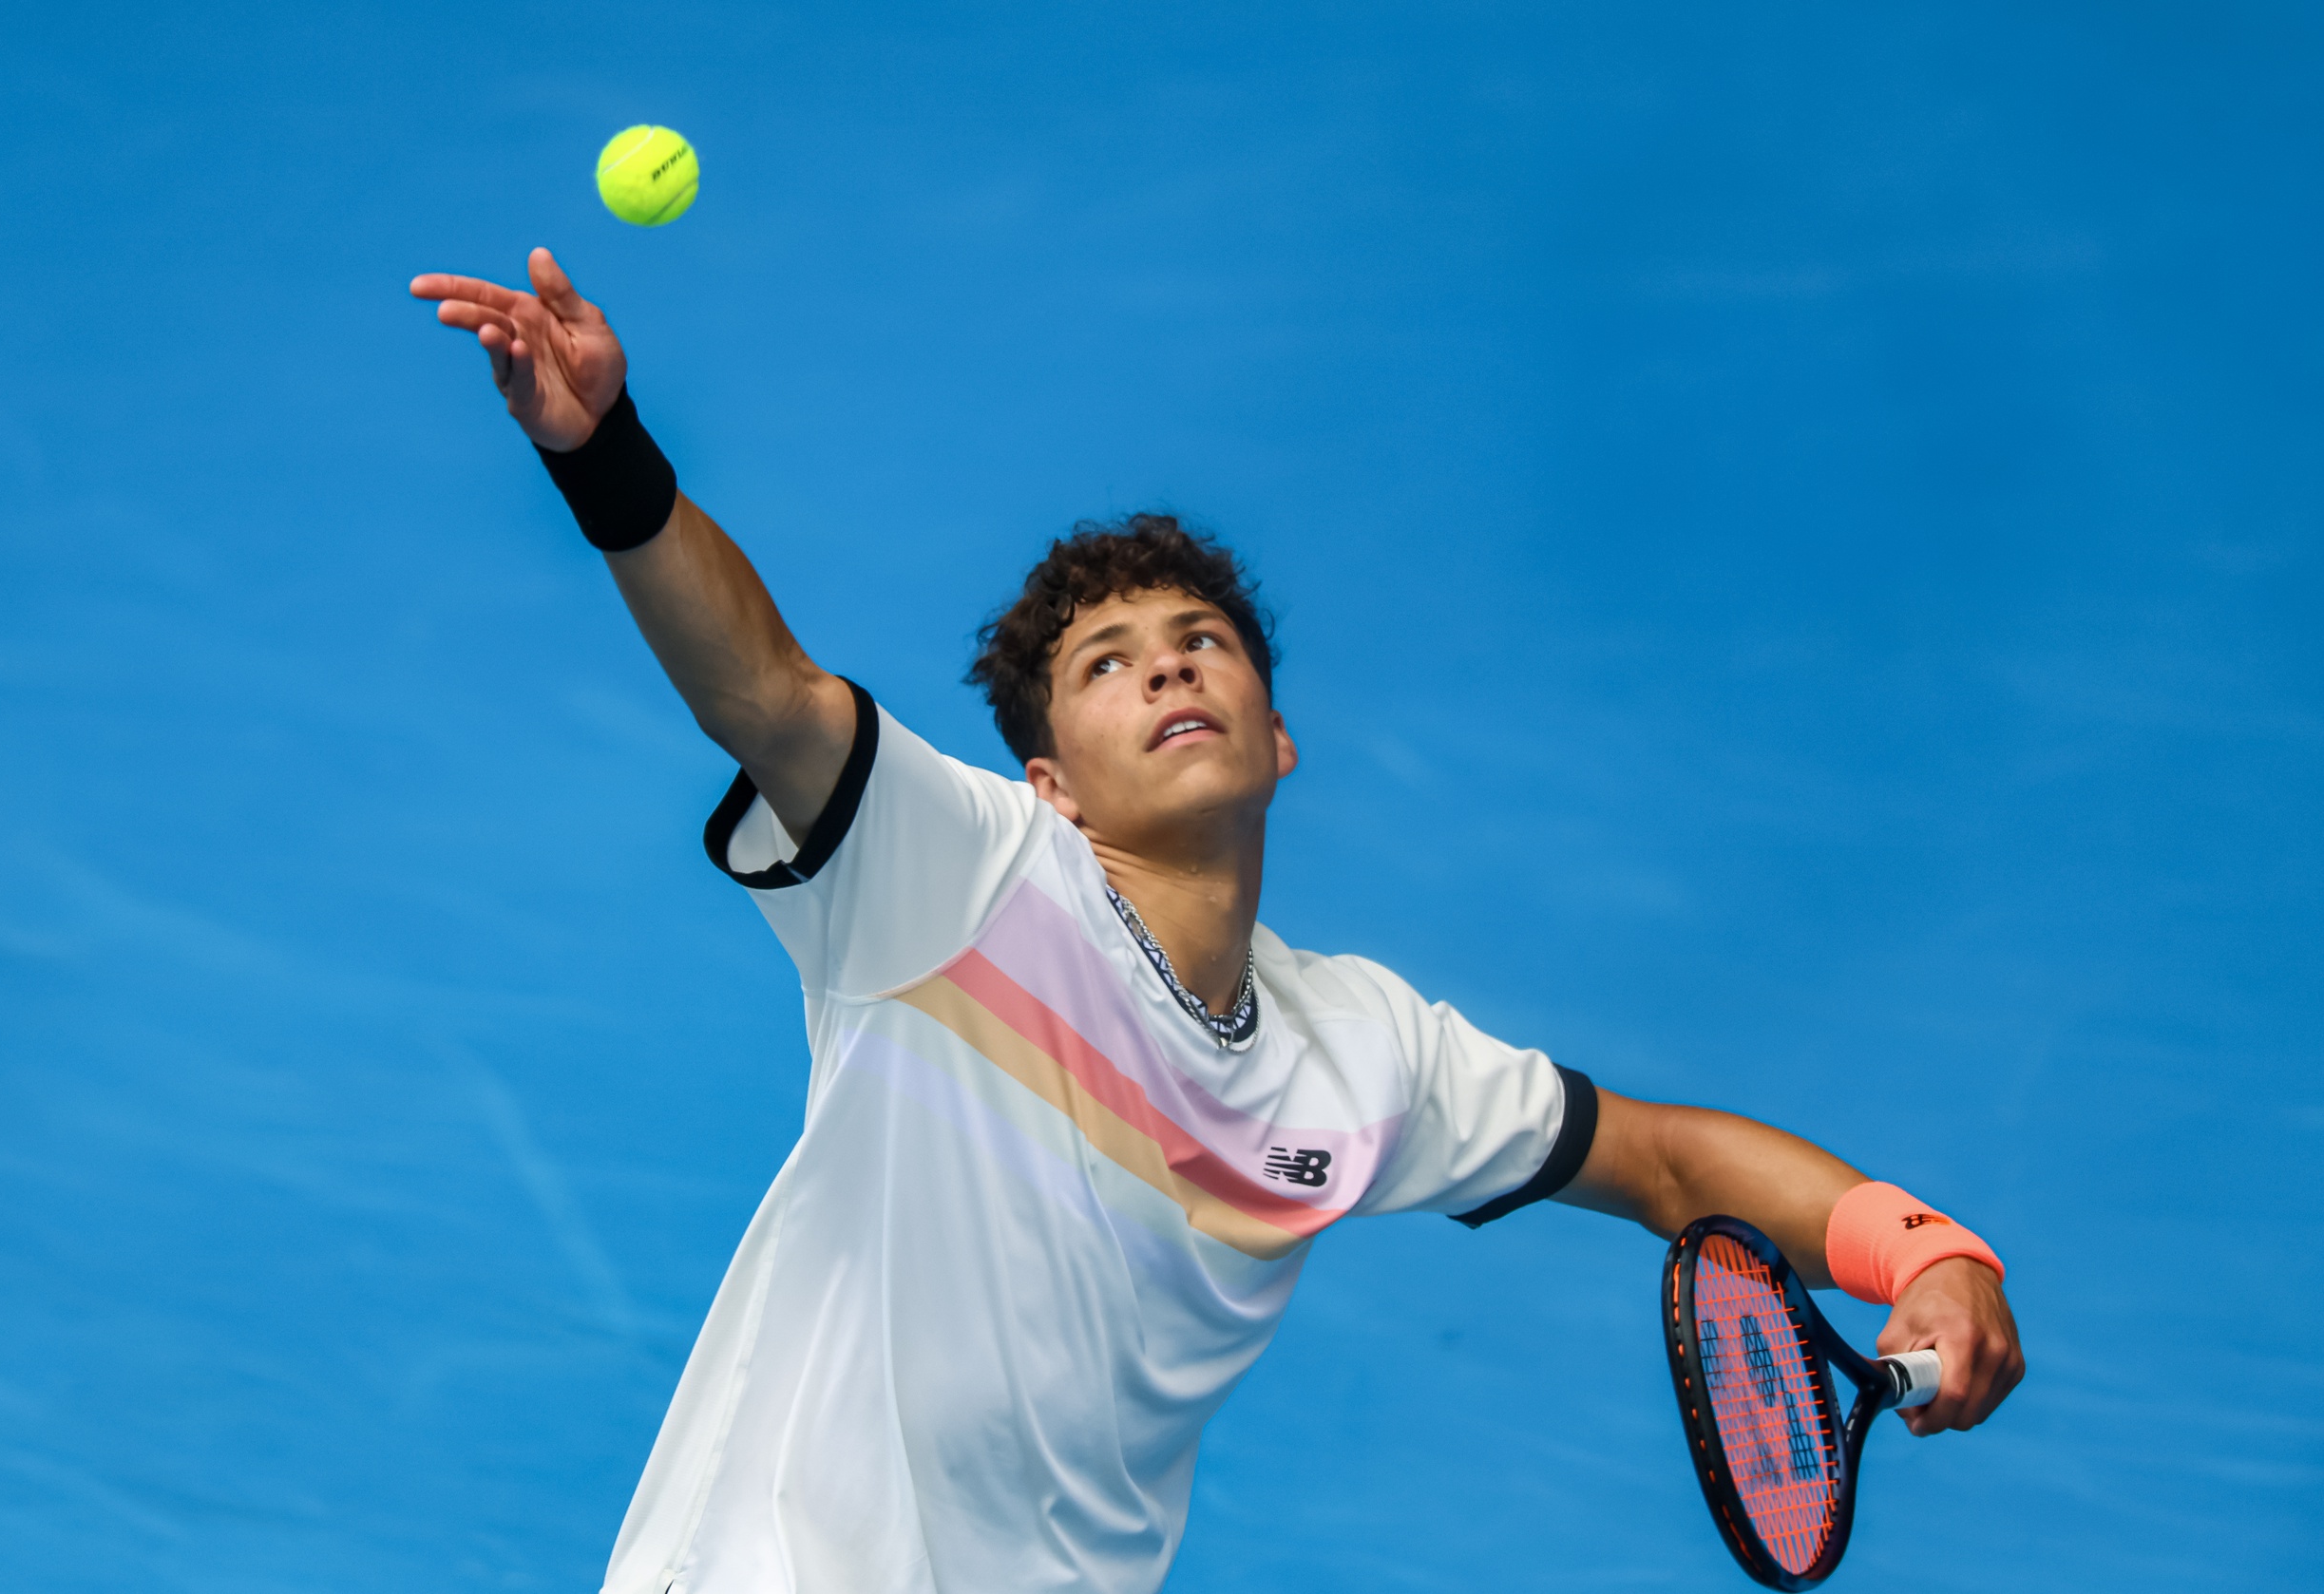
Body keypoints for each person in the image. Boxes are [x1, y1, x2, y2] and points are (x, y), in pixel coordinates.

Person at [410, 249, 2024, 1594]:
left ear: (1279, 735)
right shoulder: (955, 873)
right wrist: (603, 456)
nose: (1170, 665)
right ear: (1044, 780)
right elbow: (760, 687)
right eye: (1107, 664)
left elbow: (1666, 1161)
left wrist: (1924, 1249)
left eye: (1201, 643)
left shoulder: (1362, 1057)